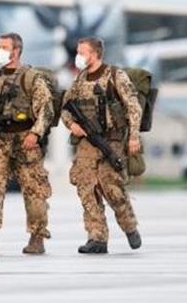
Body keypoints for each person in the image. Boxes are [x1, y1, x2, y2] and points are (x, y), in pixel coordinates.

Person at [0, 32, 55, 256]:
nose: (0, 51)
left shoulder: (31, 77)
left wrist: (35, 134)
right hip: (0, 140)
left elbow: (46, 108)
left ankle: (37, 237)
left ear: (16, 51)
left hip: (25, 140)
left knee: (34, 190)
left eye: (4, 47)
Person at [60, 36, 143, 255]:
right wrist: (72, 125)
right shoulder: (79, 80)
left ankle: (129, 225)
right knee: (86, 187)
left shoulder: (115, 76)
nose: (77, 56)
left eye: (82, 52)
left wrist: (134, 136)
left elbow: (133, 107)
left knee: (111, 187)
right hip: (87, 142)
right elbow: (65, 107)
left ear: (95, 54)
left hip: (112, 140)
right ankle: (96, 237)